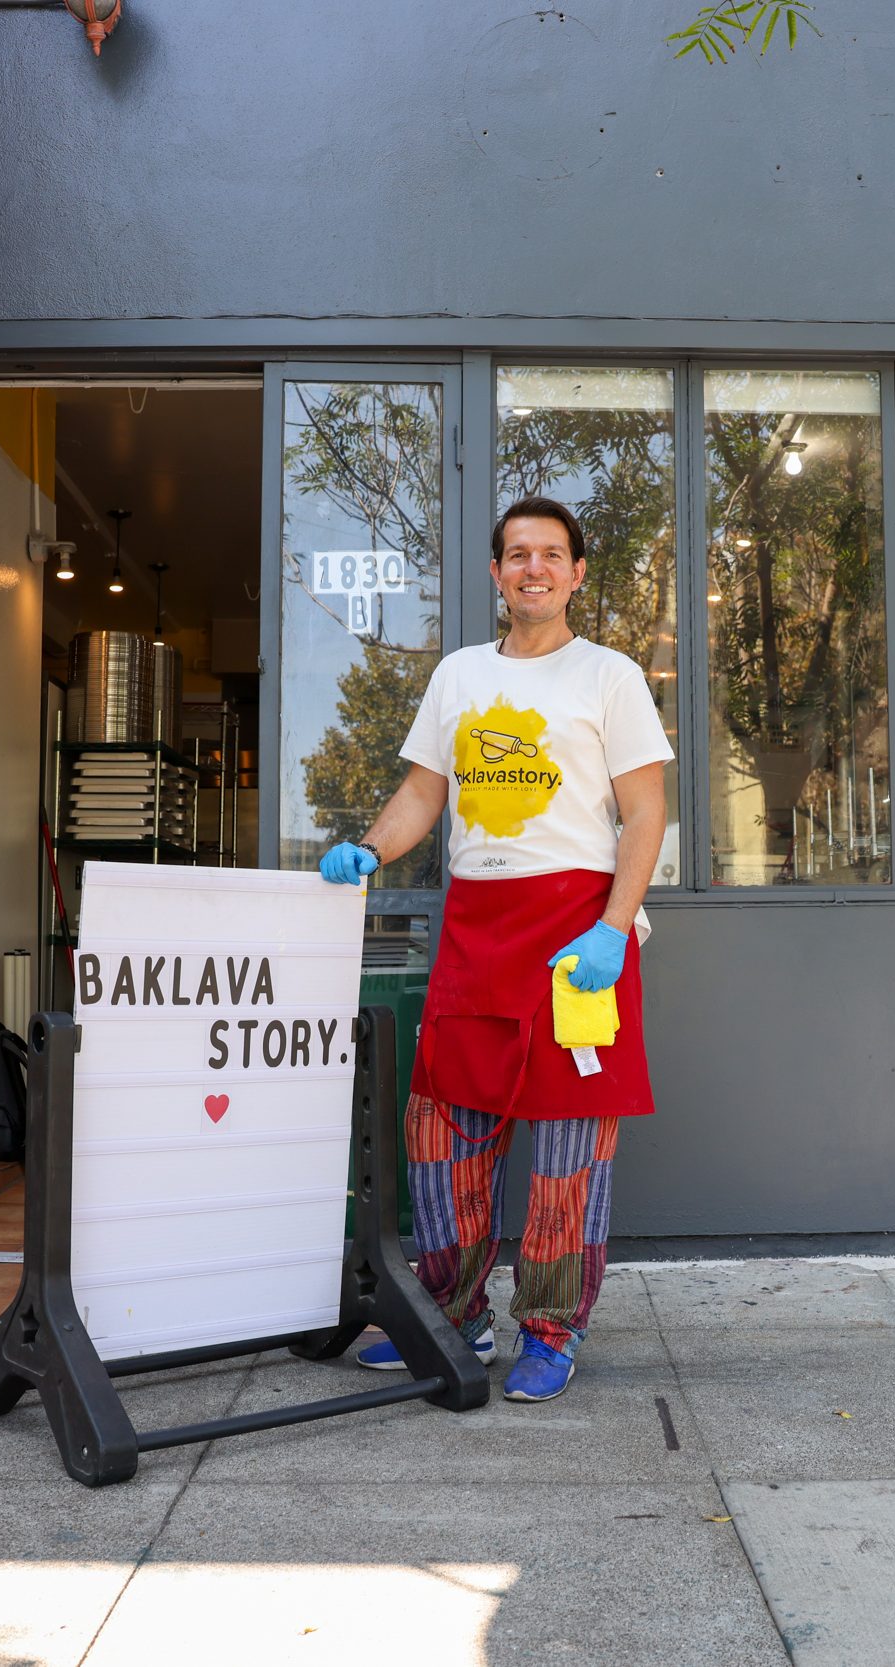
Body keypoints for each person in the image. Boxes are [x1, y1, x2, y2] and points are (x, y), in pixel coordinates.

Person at [318, 495, 672, 1403]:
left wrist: (609, 926)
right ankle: (452, 1319)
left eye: (551, 554)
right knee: (442, 1132)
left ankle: (551, 1331)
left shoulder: (610, 676)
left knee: (566, 1153)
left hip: (574, 933)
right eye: (517, 553)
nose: (533, 568)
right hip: (477, 929)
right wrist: (372, 845)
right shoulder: (460, 676)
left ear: (576, 573)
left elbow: (644, 812)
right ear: (495, 572)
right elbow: (422, 795)